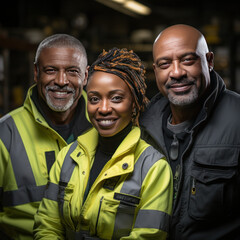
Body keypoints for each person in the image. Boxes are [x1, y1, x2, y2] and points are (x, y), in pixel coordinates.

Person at [34, 47, 173, 239]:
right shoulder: (67, 156)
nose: (104, 108)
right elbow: (47, 226)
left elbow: (147, 236)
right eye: (94, 99)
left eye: (116, 98)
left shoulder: (153, 168)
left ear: (134, 104)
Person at [139, 24, 240, 240]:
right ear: (155, 70)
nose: (176, 73)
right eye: (165, 64)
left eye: (187, 60)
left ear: (209, 61)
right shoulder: (141, 124)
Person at [0, 34, 92, 239]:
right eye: (51, 70)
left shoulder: (105, 129)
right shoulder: (5, 134)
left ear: (85, 76)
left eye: (72, 71)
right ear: (36, 73)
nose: (61, 81)